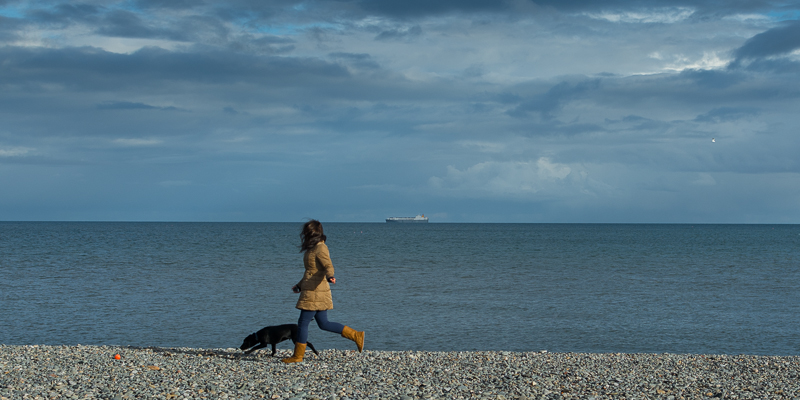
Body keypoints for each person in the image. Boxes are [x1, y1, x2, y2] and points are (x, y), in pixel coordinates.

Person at [282, 220, 365, 363]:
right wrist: (299, 286)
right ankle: (356, 335)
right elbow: (311, 272)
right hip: (314, 290)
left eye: (307, 232)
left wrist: (330, 276)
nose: (305, 234)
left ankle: (298, 356)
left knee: (303, 323)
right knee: (324, 323)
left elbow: (328, 265)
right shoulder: (313, 247)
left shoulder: (320, 248)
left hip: (315, 292)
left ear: (313, 233)